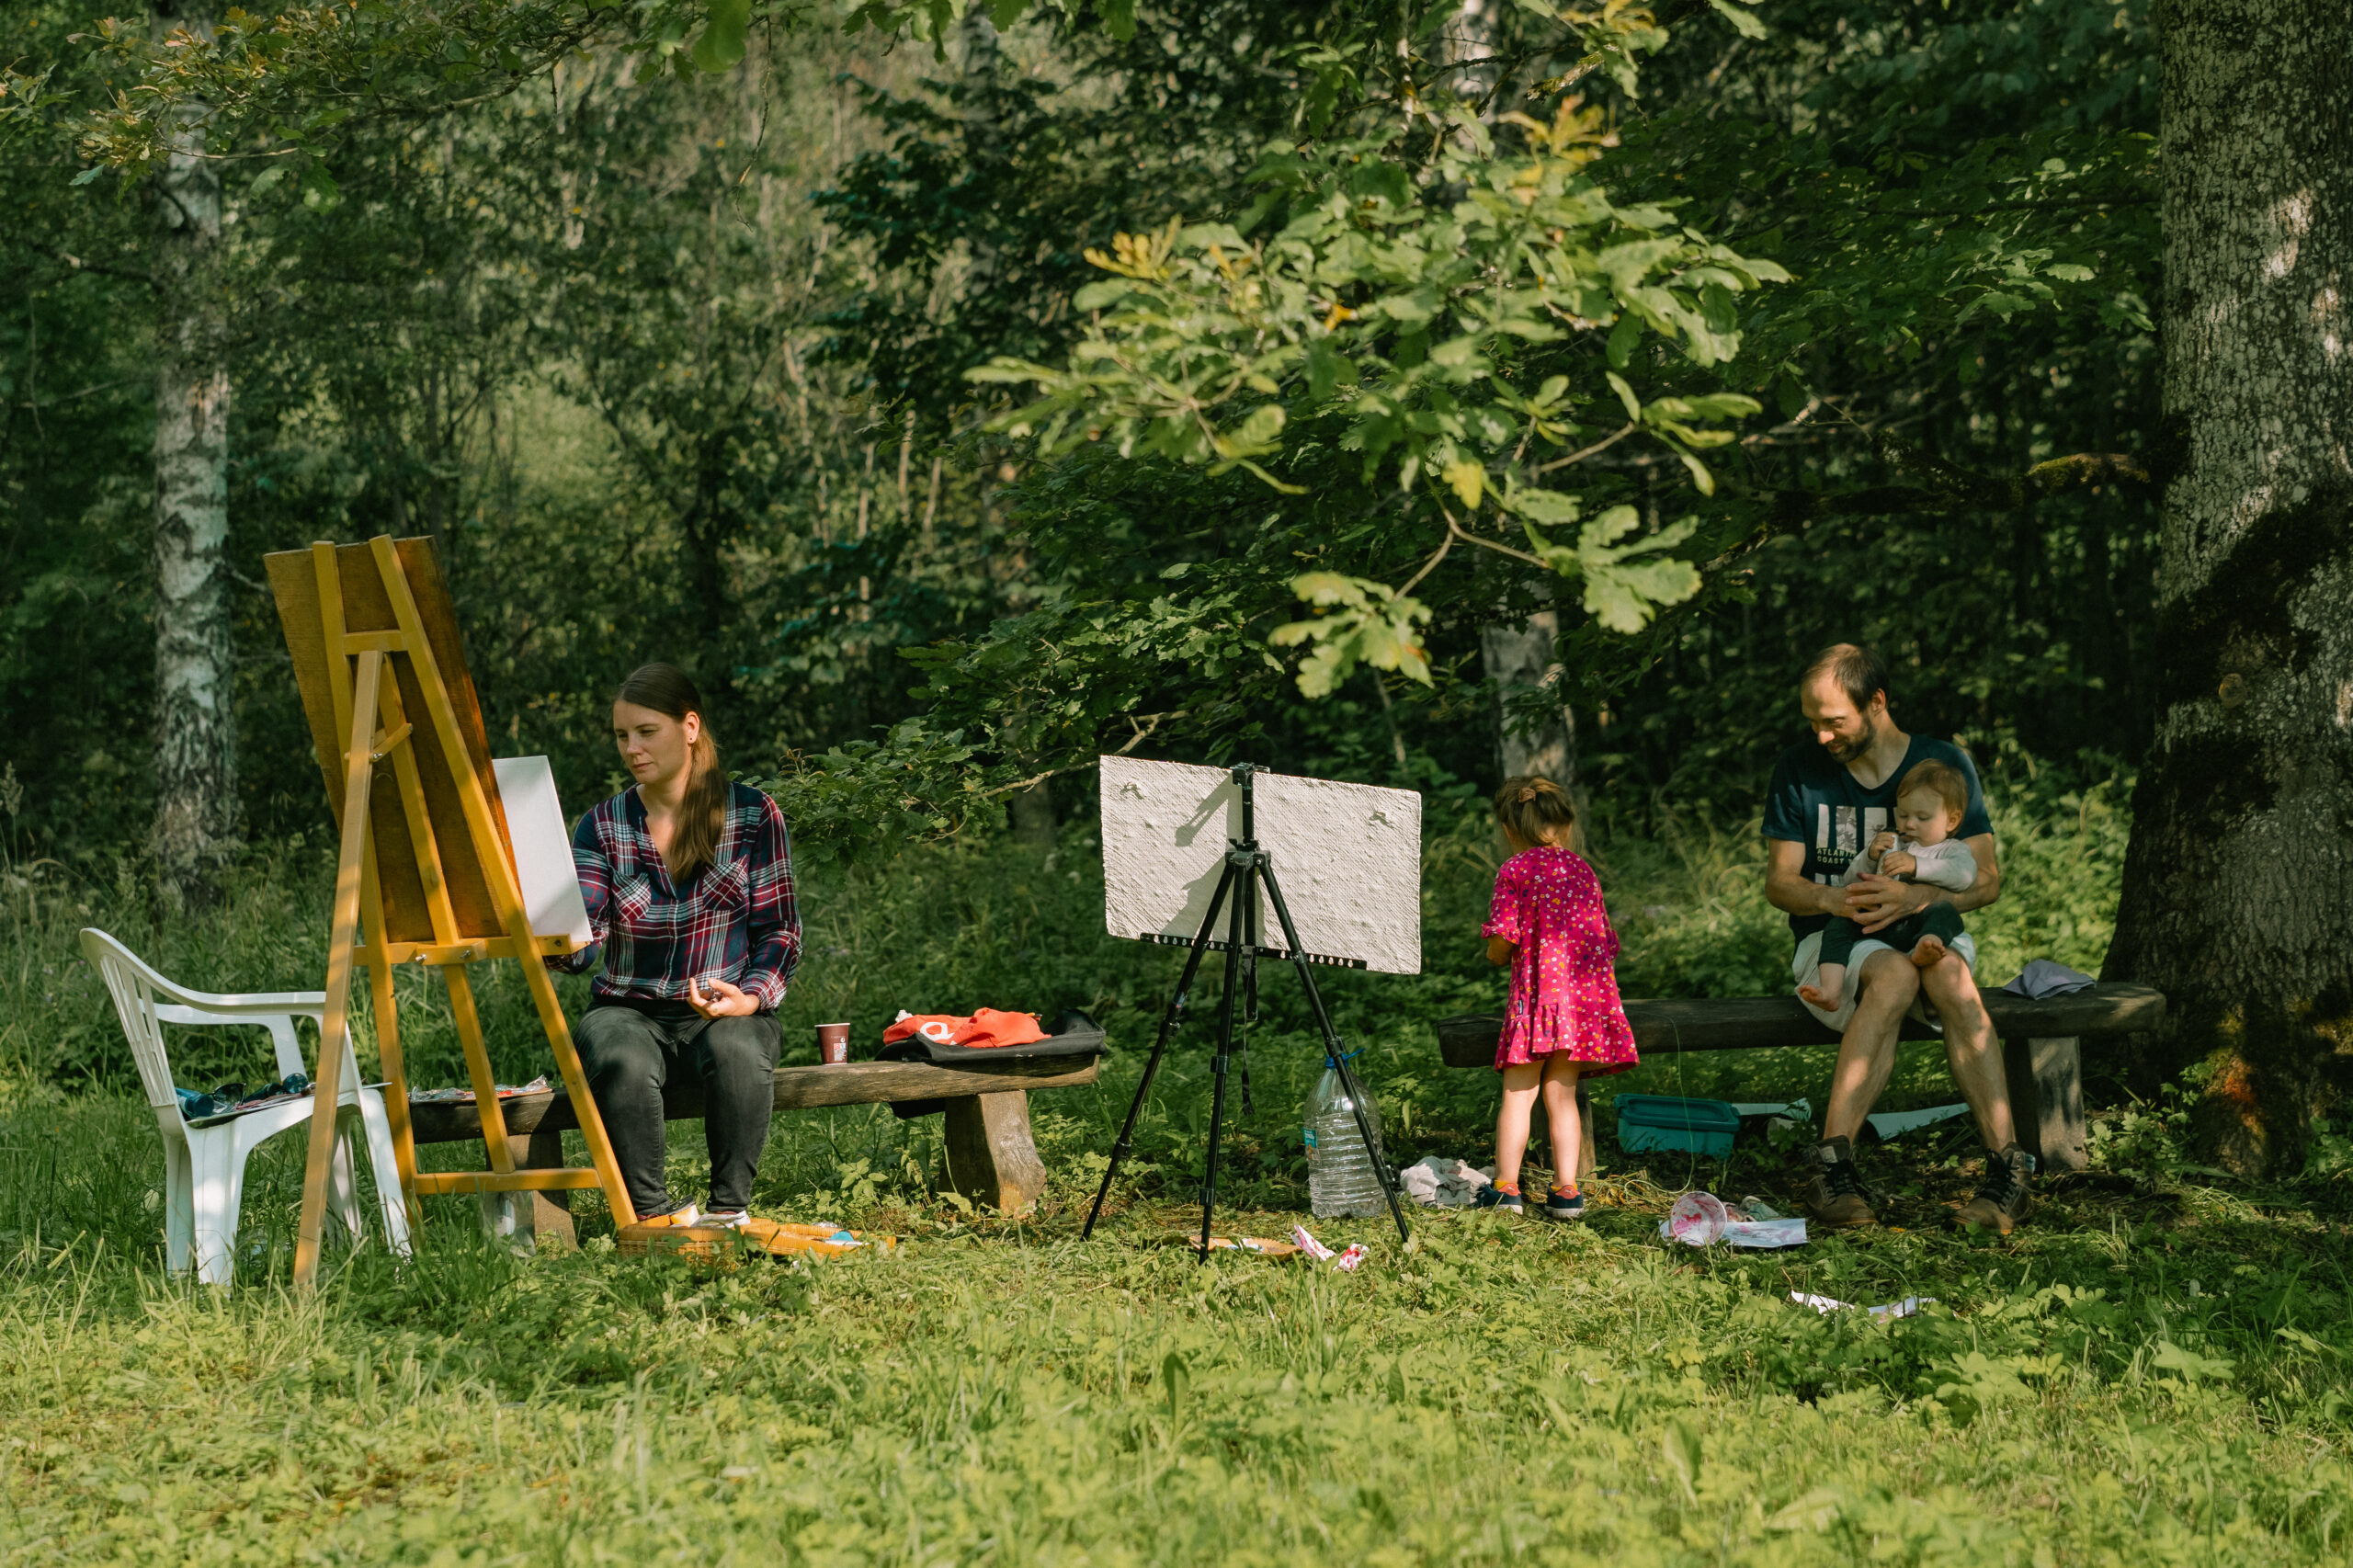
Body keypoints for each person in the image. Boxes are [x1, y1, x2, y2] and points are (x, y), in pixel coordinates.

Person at [1763, 643, 2032, 1233]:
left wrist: (1919, 898)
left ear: (1877, 703)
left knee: (1950, 974)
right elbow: (1780, 883)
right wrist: (1840, 899)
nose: (1821, 736)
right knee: (1892, 974)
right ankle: (1832, 1168)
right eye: (1812, 722)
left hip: (1921, 930)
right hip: (1837, 941)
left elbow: (1986, 880)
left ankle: (2006, 1174)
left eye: (1834, 721)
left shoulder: (1942, 766)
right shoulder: (1798, 769)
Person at [551, 663, 801, 1228]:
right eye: (622, 735)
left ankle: (727, 1213)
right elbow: (583, 943)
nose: (631, 749)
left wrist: (749, 998)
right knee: (618, 1053)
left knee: (739, 1050)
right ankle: (653, 1221)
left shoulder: (751, 813)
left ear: (689, 727)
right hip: (627, 1008)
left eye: (646, 732)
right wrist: (550, 935)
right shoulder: (603, 824)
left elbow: (781, 930)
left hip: (724, 1010)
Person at [1475, 776, 1638, 1220]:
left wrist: (1494, 954)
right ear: (1565, 825)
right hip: (1579, 1009)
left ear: (1509, 829)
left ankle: (1505, 1189)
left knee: (1518, 1095)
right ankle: (1567, 1192)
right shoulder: (1583, 871)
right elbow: (1606, 942)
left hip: (1534, 1004)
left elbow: (1503, 940)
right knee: (1562, 1097)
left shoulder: (1514, 870)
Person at [1797, 758, 1979, 1009]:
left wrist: (1917, 865)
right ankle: (1830, 989)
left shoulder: (1951, 850)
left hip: (1919, 923)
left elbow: (1964, 876)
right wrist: (1870, 857)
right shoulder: (1894, 845)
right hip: (1879, 925)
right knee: (1838, 925)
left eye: (1922, 817)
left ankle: (1926, 947)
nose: (1909, 824)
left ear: (1952, 820)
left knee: (1945, 911)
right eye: (1903, 815)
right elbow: (1850, 882)